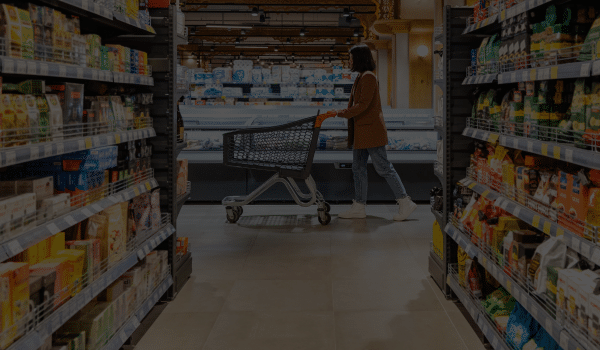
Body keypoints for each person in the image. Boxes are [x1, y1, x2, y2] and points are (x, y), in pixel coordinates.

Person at [329, 44, 417, 221]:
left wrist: (340, 113)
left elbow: (363, 105)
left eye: (351, 57)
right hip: (362, 132)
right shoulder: (361, 76)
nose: (349, 61)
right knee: (358, 168)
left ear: (359, 58)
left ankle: (405, 202)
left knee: (383, 167)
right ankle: (359, 206)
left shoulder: (368, 78)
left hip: (370, 131)